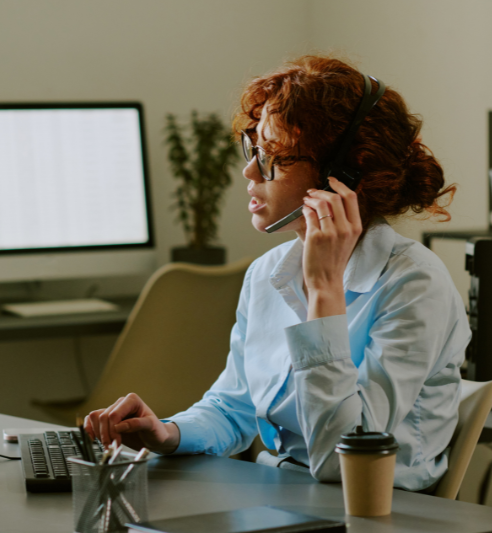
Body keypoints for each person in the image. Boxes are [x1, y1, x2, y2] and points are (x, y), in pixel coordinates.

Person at [85, 55, 470, 491]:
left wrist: (324, 291)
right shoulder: (268, 273)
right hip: (278, 494)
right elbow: (234, 408)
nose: (250, 171)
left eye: (275, 158)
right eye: (254, 149)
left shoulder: (415, 284)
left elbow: (342, 458)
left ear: (342, 176)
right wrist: (167, 433)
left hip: (377, 509)